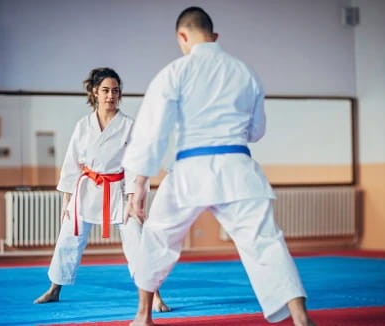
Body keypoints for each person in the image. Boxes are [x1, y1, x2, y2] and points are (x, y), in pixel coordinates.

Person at [122, 7, 316, 326]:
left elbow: (152, 131)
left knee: (157, 237)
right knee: (266, 243)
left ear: (182, 36)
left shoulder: (174, 72)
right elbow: (256, 131)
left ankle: (143, 316)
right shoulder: (245, 72)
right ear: (213, 36)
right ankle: (300, 319)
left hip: (189, 171)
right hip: (237, 169)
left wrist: (139, 183)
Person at [33, 67, 170, 313]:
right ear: (94, 92)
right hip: (85, 189)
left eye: (115, 91)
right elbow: (71, 163)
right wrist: (66, 202)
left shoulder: (128, 125)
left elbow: (136, 165)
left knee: (138, 242)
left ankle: (155, 296)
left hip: (117, 191)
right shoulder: (84, 125)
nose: (111, 96)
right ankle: (55, 289)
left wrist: (135, 201)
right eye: (105, 90)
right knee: (68, 239)